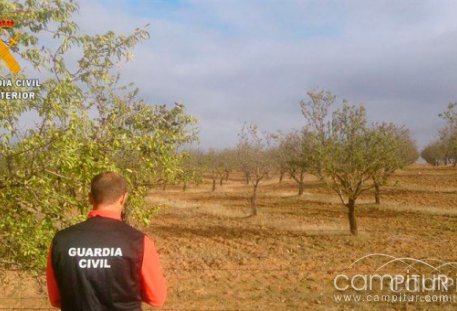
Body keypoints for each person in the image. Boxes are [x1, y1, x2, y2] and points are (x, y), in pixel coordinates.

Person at [46, 171, 167, 310]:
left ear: (90, 198)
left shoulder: (61, 241)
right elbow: (156, 298)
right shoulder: (140, 242)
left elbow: (56, 300)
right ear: (123, 198)